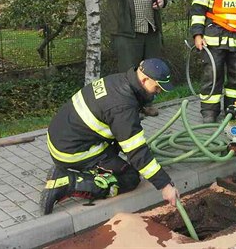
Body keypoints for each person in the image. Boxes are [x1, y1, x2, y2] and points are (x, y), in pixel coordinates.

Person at [40, 58, 179, 215]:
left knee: (128, 152)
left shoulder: (120, 80)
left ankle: (83, 171)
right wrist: (165, 185)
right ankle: (68, 183)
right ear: (145, 79)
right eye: (157, 87)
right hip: (72, 152)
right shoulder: (122, 106)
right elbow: (136, 151)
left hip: (62, 139)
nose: (158, 92)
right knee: (130, 178)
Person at [96, 0, 169, 117]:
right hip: (126, 31)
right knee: (129, 73)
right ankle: (129, 108)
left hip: (150, 26)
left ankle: (147, 104)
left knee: (150, 69)